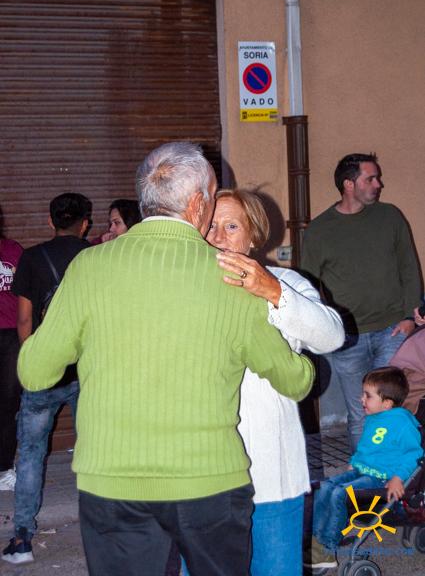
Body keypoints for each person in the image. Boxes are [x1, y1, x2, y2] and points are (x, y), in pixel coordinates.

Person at [14, 142, 314, 576]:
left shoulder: (88, 268)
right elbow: (295, 381)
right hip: (209, 483)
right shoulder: (232, 276)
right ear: (196, 205)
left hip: (112, 483)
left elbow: (35, 372)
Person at [204, 189, 344, 576]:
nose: (218, 236)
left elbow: (331, 336)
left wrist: (271, 291)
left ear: (253, 236)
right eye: (210, 226)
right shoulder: (184, 289)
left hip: (271, 470)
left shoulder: (284, 281)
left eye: (231, 226)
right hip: (201, 474)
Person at [301, 153, 421, 451]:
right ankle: (366, 470)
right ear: (349, 184)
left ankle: (392, 469)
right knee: (360, 414)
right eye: (371, 178)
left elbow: (409, 267)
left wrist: (409, 317)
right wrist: (327, 329)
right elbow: (308, 286)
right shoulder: (320, 230)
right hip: (349, 339)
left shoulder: (390, 217)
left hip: (393, 331)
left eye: (377, 178)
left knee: (391, 409)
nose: (379, 184)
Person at [2, 193, 92, 565]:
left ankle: (22, 539)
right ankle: (98, 531)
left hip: (44, 372)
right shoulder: (95, 257)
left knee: (31, 454)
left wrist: (34, 361)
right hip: (87, 370)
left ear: (50, 220)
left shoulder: (32, 257)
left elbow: (24, 320)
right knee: (94, 449)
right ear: (85, 223)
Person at [304, 367, 423, 570]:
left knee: (340, 493)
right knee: (324, 487)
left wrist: (398, 477)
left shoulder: (402, 423)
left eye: (368, 396)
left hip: (380, 479)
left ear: (387, 403)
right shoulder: (374, 418)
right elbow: (366, 447)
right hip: (362, 471)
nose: (361, 399)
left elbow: (414, 454)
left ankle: (327, 547)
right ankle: (317, 541)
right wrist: (355, 461)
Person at [0, 232, 23, 491]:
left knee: (8, 403)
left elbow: (25, 292)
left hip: (9, 334)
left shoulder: (12, 249)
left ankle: (4, 467)